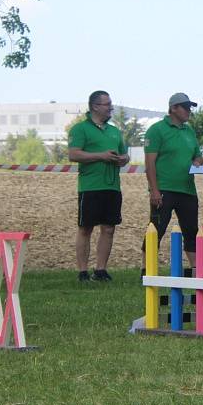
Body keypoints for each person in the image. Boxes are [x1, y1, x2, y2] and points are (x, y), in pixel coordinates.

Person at [68, 90, 130, 282]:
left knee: (109, 228)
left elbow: (125, 155)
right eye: (107, 104)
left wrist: (122, 159)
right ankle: (83, 271)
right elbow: (74, 154)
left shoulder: (114, 131)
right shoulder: (80, 129)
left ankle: (101, 270)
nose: (110, 107)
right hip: (90, 186)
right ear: (95, 106)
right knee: (86, 228)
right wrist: (101, 156)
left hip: (112, 187)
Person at [143, 92, 203, 266]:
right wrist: (154, 190)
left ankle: (195, 269)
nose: (188, 111)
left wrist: (197, 162)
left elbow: (198, 156)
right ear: (173, 108)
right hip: (164, 190)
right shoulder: (156, 130)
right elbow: (150, 163)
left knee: (191, 230)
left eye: (190, 107)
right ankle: (146, 269)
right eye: (185, 107)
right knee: (156, 228)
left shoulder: (189, 130)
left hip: (187, 189)